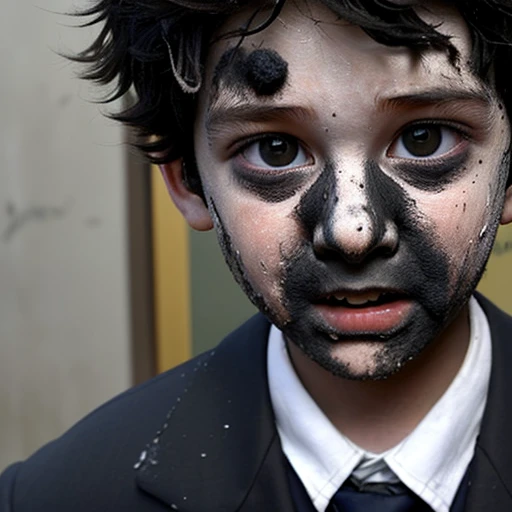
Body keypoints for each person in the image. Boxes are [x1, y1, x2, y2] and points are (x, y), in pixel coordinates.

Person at [2, 0, 512, 510]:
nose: (352, 231)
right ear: (188, 180)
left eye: (424, 140)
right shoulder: (58, 495)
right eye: (274, 149)